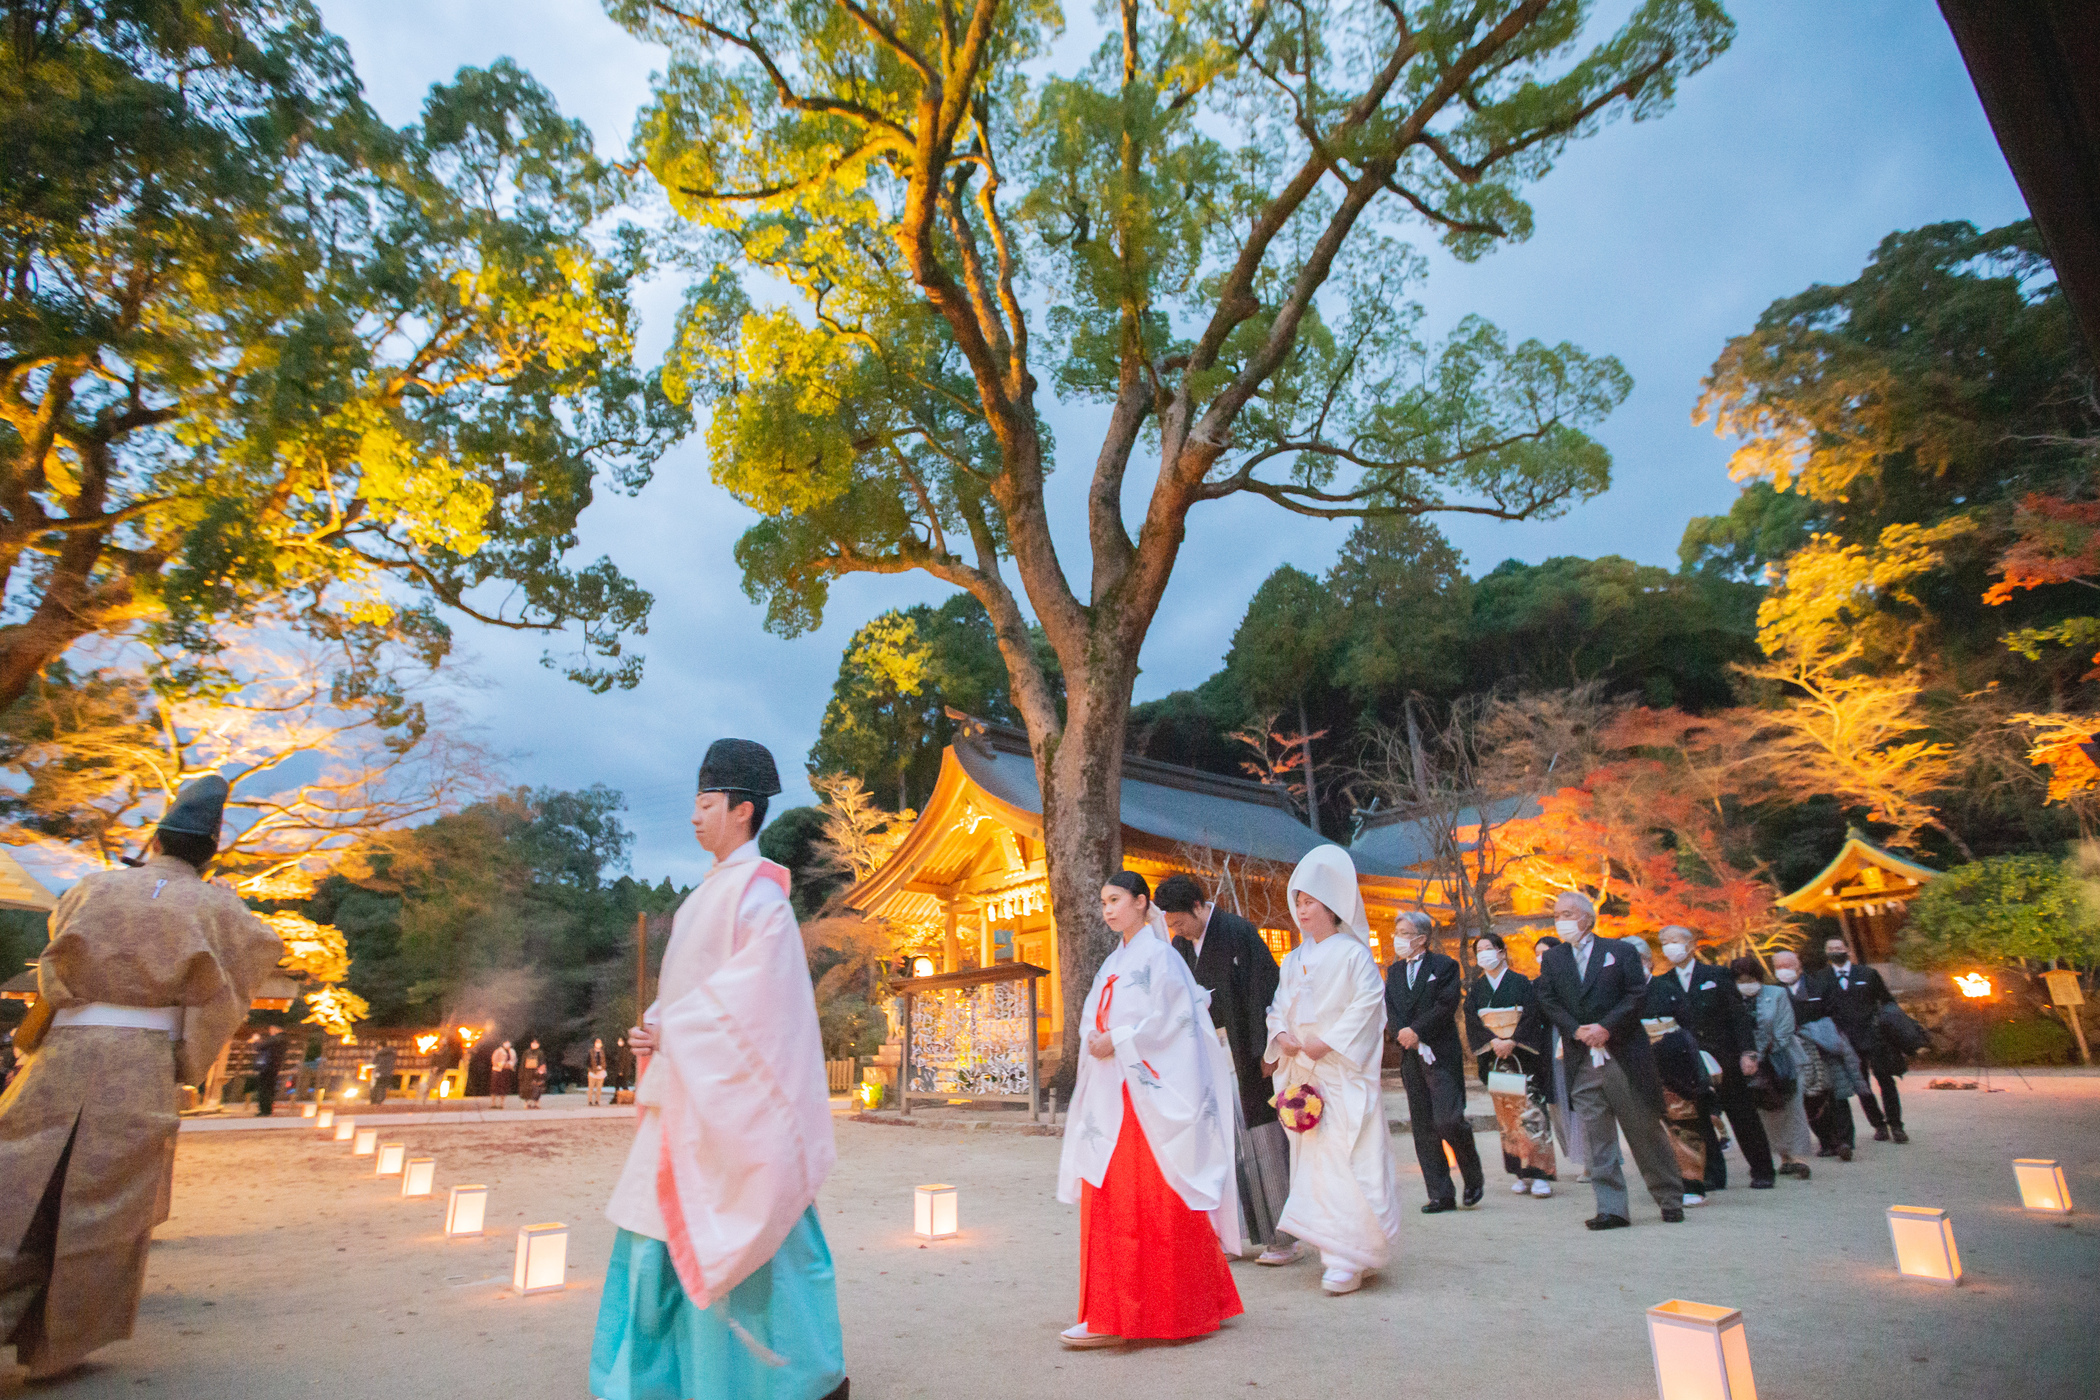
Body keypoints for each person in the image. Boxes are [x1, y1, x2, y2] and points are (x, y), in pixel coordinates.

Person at [0, 776, 282, 1379]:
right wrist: (187, 1055)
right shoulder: (217, 906)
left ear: (154, 840)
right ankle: (55, 1348)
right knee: (107, 1199)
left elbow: (59, 945)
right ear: (210, 853)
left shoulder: (93, 887)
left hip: (65, 1048)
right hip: (140, 1059)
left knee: (17, 1181)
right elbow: (261, 949)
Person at [595, 739, 846, 1400]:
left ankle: (782, 1381)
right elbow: (696, 991)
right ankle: (662, 1381)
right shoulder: (712, 893)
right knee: (657, 1232)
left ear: (742, 810)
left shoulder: (760, 897)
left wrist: (676, 1027)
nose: (694, 816)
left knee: (744, 1224)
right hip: (688, 1092)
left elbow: (757, 1001)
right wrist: (657, 1023)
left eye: (706, 804)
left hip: (726, 1103)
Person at [1057, 871, 1243, 1348]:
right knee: (1114, 1199)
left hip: (1147, 1097)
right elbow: (1092, 1016)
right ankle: (1112, 1309)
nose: (1108, 909)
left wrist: (1117, 1039)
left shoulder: (1162, 956)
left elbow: (1173, 1025)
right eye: (1103, 901)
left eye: (1116, 899)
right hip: (1113, 1092)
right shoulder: (1113, 962)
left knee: (1152, 1197)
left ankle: (1154, 1310)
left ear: (1143, 902)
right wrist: (1096, 1039)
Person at [1265, 845, 1403, 1296]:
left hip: (1341, 1072)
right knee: (1315, 1162)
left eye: (1310, 902)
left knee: (1351, 1157)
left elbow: (1367, 1005)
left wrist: (1330, 1041)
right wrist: (1281, 1037)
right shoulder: (1292, 958)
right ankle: (1331, 1249)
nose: (1302, 910)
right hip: (1304, 1071)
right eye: (1298, 901)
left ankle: (1353, 1253)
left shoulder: (1354, 954)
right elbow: (1279, 1007)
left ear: (1331, 905)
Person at [1155, 872, 1293, 1265]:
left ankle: (1282, 1238)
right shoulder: (1181, 945)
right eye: (1171, 924)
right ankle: (1229, 1235)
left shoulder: (1238, 932)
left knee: (1261, 1140)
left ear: (1199, 906)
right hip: (1206, 1055)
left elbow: (1266, 991)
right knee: (1219, 1146)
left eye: (1180, 920)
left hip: (1245, 1052)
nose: (1176, 929)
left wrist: (1266, 1052)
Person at [1534, 892, 1685, 1229]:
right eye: (1557, 914)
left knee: (1643, 1129)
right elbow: (1546, 998)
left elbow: (1637, 993)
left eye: (1568, 913)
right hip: (1581, 1056)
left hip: (1622, 1053)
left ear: (1587, 917)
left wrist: (1606, 1027)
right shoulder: (1555, 959)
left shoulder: (1620, 951)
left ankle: (1670, 1196)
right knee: (1596, 1137)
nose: (1561, 920)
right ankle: (1612, 1207)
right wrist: (1575, 1030)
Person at [1644, 926, 1774, 1191]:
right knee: (1700, 1117)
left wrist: (1747, 1052)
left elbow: (1738, 1017)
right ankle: (1712, 1174)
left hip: (1724, 1055)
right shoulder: (1663, 982)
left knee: (1742, 1113)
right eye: (1664, 942)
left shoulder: (1716, 974)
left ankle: (1762, 1169)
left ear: (1691, 944)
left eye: (1675, 941)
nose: (1670, 946)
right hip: (1687, 1060)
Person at [1384, 912, 1483, 1213]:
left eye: (1404, 932)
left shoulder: (1445, 966)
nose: (1398, 938)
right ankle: (1440, 1193)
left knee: (1448, 1120)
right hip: (1410, 1056)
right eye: (1397, 932)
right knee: (1423, 1126)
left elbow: (1446, 1004)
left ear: (1422, 938)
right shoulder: (1395, 971)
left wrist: (1418, 1030)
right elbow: (1392, 1006)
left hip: (1440, 1052)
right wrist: (1401, 1032)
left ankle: (1472, 1174)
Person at [1463, 932, 1556, 1197]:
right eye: (1479, 950)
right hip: (1495, 1055)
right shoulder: (1476, 989)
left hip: (1521, 1053)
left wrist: (1513, 1040)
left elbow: (1531, 1014)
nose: (1484, 954)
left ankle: (1540, 1174)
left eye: (1488, 948)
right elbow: (1472, 1021)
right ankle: (1520, 1173)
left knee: (1531, 1110)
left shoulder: (1522, 983)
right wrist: (1493, 1042)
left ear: (1502, 952)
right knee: (1507, 1116)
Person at [1803, 937, 1909, 1144]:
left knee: (1886, 1080)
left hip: (1873, 1036)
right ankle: (1878, 1123)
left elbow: (1887, 1001)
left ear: (1847, 950)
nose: (1835, 951)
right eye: (1831, 949)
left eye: (1839, 948)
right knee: (1861, 1085)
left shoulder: (1868, 974)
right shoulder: (1820, 978)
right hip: (1844, 1041)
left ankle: (1896, 1125)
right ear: (1826, 953)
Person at [1731, 957, 1813, 1180]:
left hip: (1781, 1058)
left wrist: (1761, 1053)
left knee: (1791, 1107)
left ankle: (1798, 1158)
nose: (1746, 983)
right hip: (1750, 1065)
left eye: (1750, 979)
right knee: (1765, 1112)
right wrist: (1748, 1056)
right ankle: (1783, 1156)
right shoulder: (1733, 998)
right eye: (1740, 980)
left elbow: (1785, 1029)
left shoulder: (1776, 994)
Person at [1782, 949, 1865, 1161]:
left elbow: (1836, 1011)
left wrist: (1825, 1032)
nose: (1783, 971)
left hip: (1824, 1046)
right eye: (1779, 967)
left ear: (1799, 966)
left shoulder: (1819, 985)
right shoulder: (1776, 993)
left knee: (1837, 1094)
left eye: (1787, 966)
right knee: (1810, 1097)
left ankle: (1845, 1141)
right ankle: (1827, 1141)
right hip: (1798, 1051)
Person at [251, 1026, 288, 1118]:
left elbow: (260, 1047)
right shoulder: (284, 1039)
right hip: (275, 1067)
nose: (270, 1031)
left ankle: (264, 1110)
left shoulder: (275, 1039)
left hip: (267, 1067)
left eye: (271, 1029)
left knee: (264, 1088)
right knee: (270, 1088)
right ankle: (268, 1109)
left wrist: (256, 1040)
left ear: (276, 1029)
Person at [489, 1040, 516, 1110]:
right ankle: (493, 1103)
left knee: (504, 1087)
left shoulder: (512, 1051)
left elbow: (514, 1060)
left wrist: (511, 1064)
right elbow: (494, 1060)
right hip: (498, 1070)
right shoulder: (498, 1051)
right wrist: (501, 1064)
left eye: (508, 1043)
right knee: (495, 1086)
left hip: (506, 1070)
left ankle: (502, 1103)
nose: (507, 1044)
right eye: (506, 1043)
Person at [520, 1039, 545, 1108]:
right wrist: (521, 1073)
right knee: (527, 1089)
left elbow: (542, 1063)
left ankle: (536, 1104)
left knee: (537, 1089)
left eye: (536, 1043)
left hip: (537, 1073)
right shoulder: (527, 1052)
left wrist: (541, 1073)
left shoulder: (540, 1053)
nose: (534, 1044)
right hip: (527, 1073)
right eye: (533, 1043)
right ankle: (527, 1103)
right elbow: (523, 1063)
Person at [588, 1037, 609, 1106]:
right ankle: (590, 1100)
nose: (598, 1044)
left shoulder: (602, 1052)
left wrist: (603, 1067)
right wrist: (591, 1068)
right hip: (592, 1072)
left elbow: (604, 1061)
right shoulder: (591, 1051)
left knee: (599, 1088)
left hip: (601, 1071)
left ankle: (597, 1100)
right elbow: (588, 1061)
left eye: (599, 1043)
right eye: (597, 1043)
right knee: (591, 1087)